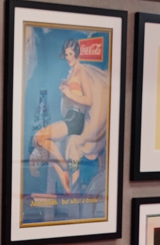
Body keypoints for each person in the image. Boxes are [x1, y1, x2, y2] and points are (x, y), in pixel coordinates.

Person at [30, 38, 110, 194]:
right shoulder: (71, 72)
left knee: (39, 137)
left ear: (76, 53)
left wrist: (69, 94)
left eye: (70, 54)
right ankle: (63, 171)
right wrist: (65, 94)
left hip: (76, 119)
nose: (68, 57)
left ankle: (64, 168)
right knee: (39, 139)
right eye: (66, 54)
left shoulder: (82, 71)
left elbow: (88, 100)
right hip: (70, 116)